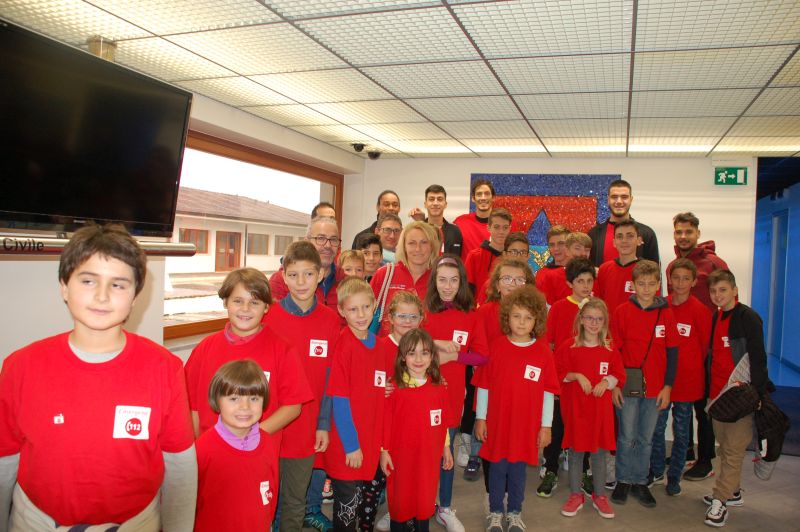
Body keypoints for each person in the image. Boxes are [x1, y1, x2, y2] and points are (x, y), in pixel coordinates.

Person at [0, 224, 196, 530]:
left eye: (118, 285)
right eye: (88, 280)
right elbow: (4, 463)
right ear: (64, 287)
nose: (102, 296)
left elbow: (180, 469)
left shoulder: (165, 369)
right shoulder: (19, 367)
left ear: (135, 296)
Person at [262, 242, 342, 532]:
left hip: (308, 426)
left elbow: (333, 378)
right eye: (293, 275)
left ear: (320, 275)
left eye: (308, 274)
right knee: (265, 500)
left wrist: (323, 424)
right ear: (283, 277)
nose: (301, 282)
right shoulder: (268, 318)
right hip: (270, 424)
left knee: (295, 501)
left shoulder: (331, 321)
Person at [185, 268, 312, 440]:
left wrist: (250, 437)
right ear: (226, 302)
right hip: (211, 449)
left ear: (266, 307)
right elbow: (192, 405)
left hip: (259, 447)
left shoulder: (283, 350)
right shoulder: (205, 348)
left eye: (254, 302)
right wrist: (198, 444)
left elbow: (293, 406)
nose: (245, 309)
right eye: (238, 301)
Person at [474, 286, 559, 532]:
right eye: (516, 316)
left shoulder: (542, 351)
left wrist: (546, 426)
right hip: (498, 423)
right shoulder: (496, 347)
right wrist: (481, 418)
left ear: (537, 321)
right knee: (497, 469)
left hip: (525, 426)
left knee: (518, 472)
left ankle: (514, 512)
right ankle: (495, 512)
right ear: (507, 317)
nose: (522, 322)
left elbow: (548, 393)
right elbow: (484, 386)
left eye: (528, 317)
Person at [423, 255, 489, 532]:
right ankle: (415, 503)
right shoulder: (423, 310)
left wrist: (455, 357)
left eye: (453, 280)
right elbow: (403, 342)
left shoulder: (471, 315)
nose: (447, 286)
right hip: (417, 394)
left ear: (461, 283)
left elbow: (482, 356)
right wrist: (435, 343)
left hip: (450, 397)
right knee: (418, 452)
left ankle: (445, 506)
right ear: (434, 282)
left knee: (446, 453)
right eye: (442, 280)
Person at [703, 269, 771, 528]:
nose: (717, 295)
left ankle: (720, 500)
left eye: (723, 290)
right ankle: (733, 491)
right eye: (713, 291)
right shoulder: (716, 317)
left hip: (740, 397)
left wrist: (758, 394)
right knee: (723, 445)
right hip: (717, 396)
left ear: (734, 290)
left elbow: (758, 358)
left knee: (733, 450)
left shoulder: (748, 318)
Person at [610, 260, 679, 509]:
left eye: (651, 284)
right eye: (641, 284)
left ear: (659, 284)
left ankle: (640, 480)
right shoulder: (621, 312)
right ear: (633, 285)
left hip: (656, 388)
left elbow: (673, 352)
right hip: (628, 385)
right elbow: (614, 352)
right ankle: (623, 479)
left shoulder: (666, 313)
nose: (647, 289)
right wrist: (615, 385)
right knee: (626, 435)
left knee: (646, 437)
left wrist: (668, 387)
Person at [323, 277, 386, 531]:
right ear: (341, 311)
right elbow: (339, 399)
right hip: (347, 445)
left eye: (365, 307)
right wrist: (351, 446)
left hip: (369, 440)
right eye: (353, 309)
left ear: (374, 306)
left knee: (358, 503)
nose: (360, 315)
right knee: (347, 509)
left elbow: (378, 384)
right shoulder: (344, 345)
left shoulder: (379, 345)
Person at [557, 298, 624, 519]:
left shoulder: (610, 348)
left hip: (600, 412)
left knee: (598, 454)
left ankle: (600, 495)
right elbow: (558, 373)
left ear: (605, 321)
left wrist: (607, 382)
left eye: (599, 319)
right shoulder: (569, 346)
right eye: (589, 318)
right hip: (576, 410)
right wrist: (576, 376)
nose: (594, 323)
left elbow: (619, 374)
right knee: (576, 453)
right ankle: (576, 495)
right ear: (581, 319)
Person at [649, 258, 711, 497]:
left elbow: (704, 347)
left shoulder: (700, 311)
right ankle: (656, 471)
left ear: (694, 282)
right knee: (657, 428)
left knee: (682, 431)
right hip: (661, 380)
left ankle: (674, 476)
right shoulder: (660, 305)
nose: (681, 283)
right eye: (676, 278)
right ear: (669, 280)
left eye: (686, 278)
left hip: (687, 381)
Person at [381, 329, 452, 532]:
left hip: (427, 458)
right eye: (412, 353)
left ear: (432, 356)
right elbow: (386, 422)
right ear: (403, 357)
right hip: (400, 457)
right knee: (401, 500)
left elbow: (442, 422)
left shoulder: (439, 388)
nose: (419, 359)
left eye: (424, 353)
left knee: (424, 499)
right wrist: (384, 451)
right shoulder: (394, 387)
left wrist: (446, 448)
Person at [195, 360, 278, 531]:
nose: (245, 407)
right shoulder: (201, 450)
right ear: (217, 401)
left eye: (254, 398)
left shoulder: (268, 443)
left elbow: (271, 491)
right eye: (234, 398)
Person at [538, 257, 597, 498]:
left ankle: (583, 470)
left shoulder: (597, 309)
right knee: (557, 427)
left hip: (586, 382)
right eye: (580, 281)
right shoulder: (559, 307)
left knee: (582, 427)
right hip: (562, 379)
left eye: (589, 281)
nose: (585, 286)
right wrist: (553, 376)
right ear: (570, 283)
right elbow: (548, 343)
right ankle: (550, 469)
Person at [370, 221, 440, 336]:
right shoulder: (385, 274)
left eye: (424, 242)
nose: (418, 249)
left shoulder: (440, 280)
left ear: (432, 246)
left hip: (427, 346)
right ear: (404, 247)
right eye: (412, 243)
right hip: (386, 346)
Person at [271, 216, 343, 314]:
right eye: (320, 238)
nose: (328, 245)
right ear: (306, 241)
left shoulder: (346, 281)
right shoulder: (279, 282)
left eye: (333, 239)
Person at [587, 179, 659, 267]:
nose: (619, 201)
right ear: (608, 200)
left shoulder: (647, 233)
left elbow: (654, 271)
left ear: (631, 199)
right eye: (614, 197)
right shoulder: (594, 234)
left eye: (624, 197)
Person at [666, 212, 729, 311]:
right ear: (674, 235)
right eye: (679, 232)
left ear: (698, 233)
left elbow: (730, 302)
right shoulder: (671, 267)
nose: (683, 236)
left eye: (689, 232)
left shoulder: (714, 263)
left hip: (707, 320)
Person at [594, 220, 640, 314]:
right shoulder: (604, 269)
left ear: (639, 240)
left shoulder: (646, 270)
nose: (624, 241)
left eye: (630, 236)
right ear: (614, 242)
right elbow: (597, 303)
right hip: (608, 323)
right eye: (619, 236)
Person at [465, 207, 512, 298]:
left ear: (510, 229)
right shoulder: (474, 256)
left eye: (505, 227)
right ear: (488, 228)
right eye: (496, 227)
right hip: (480, 306)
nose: (501, 232)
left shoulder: (513, 257)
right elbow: (467, 290)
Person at [474, 231, 530, 306]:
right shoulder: (490, 285)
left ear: (528, 256)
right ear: (504, 254)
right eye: (513, 252)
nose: (518, 256)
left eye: (523, 252)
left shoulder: (532, 284)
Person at [409, 184, 464, 256]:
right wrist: (421, 222)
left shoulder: (455, 231)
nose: (435, 203)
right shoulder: (417, 230)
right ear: (425, 204)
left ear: (445, 204)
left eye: (440, 199)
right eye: (431, 199)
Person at [454, 179, 494, 259]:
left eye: (487, 194)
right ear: (473, 198)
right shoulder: (460, 222)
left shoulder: (503, 225)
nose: (483, 198)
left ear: (493, 198)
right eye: (479, 194)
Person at [535, 225, 572, 306]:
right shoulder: (542, 274)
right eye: (552, 245)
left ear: (570, 245)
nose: (556, 249)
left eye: (561, 243)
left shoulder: (580, 271)